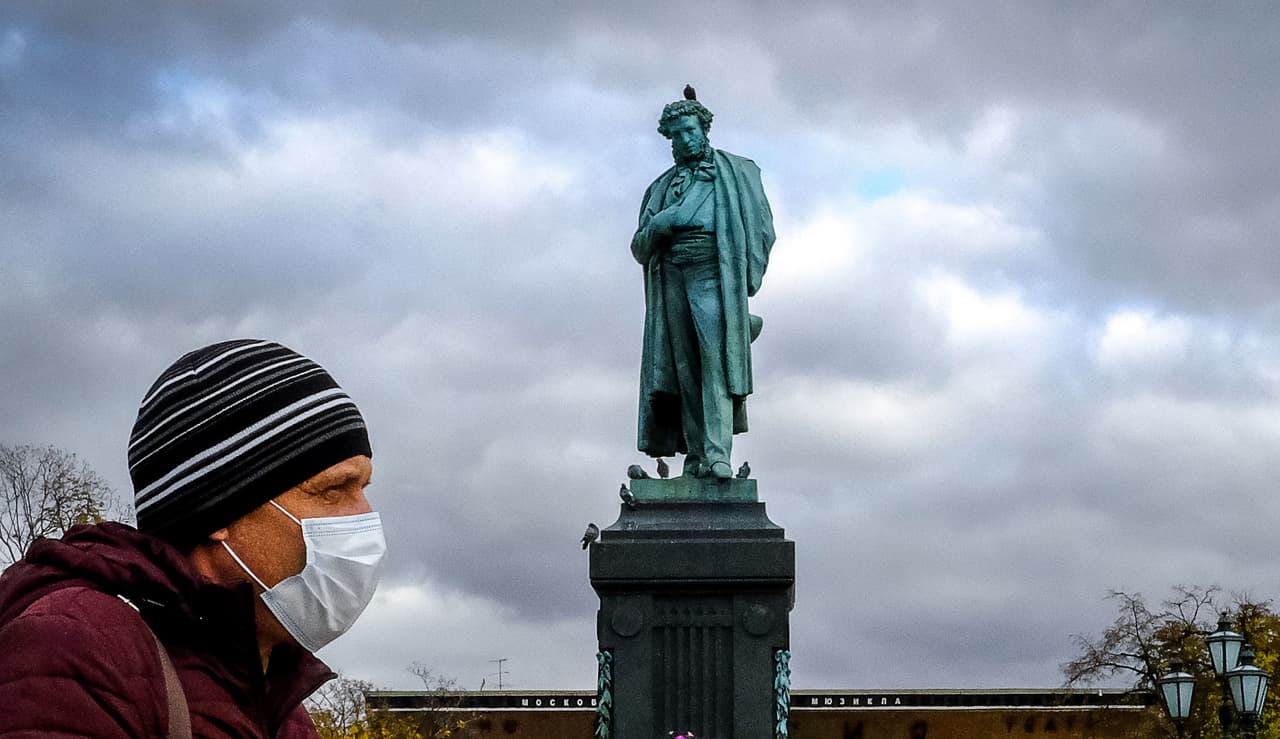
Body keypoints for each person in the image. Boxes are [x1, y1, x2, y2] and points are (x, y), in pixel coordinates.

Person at [0, 339, 384, 738]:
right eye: (333, 490)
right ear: (220, 510)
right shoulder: (80, 651)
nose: (365, 516)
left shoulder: (280, 706)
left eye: (363, 488)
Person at [631, 87, 776, 479]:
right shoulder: (660, 189)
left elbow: (763, 228)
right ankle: (696, 455)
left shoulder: (737, 172)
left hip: (714, 271)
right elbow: (639, 247)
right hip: (671, 276)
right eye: (675, 134)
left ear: (704, 129)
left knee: (716, 361)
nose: (683, 139)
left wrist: (745, 282)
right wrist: (661, 225)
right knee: (684, 368)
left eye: (689, 130)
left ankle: (717, 453)